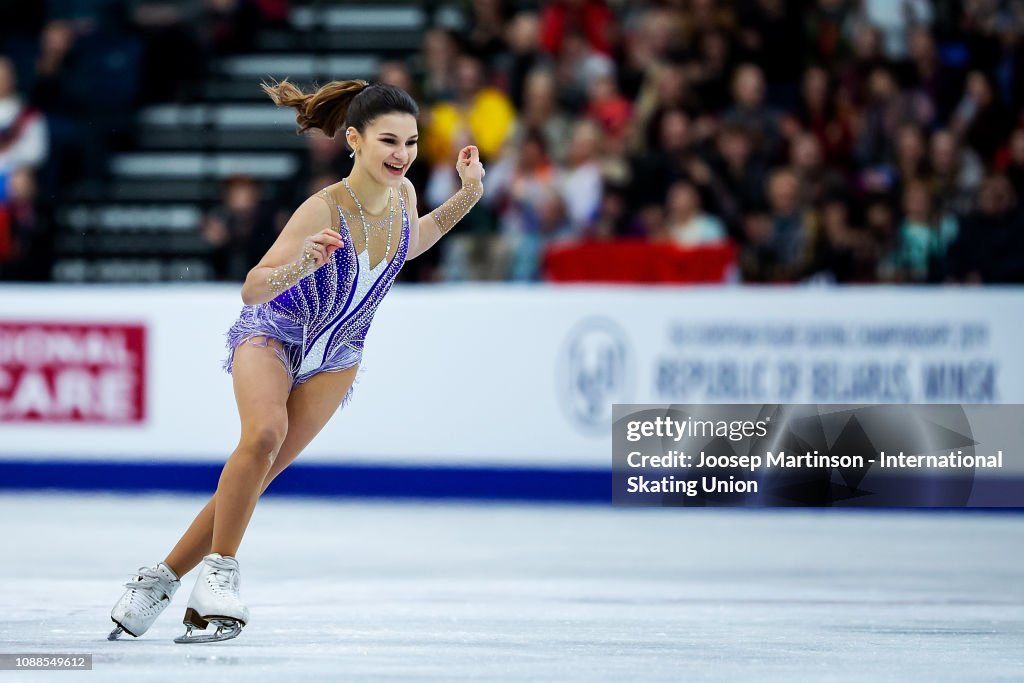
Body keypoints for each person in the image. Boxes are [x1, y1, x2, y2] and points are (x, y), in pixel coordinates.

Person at [108, 79, 485, 644]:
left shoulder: (404, 196)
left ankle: (159, 580)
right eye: (388, 141)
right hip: (275, 333)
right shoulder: (323, 207)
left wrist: (469, 194)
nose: (401, 155)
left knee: (255, 475)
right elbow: (253, 288)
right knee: (262, 436)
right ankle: (218, 578)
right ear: (354, 140)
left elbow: (414, 240)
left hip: (338, 356)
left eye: (410, 142)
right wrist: (301, 267)